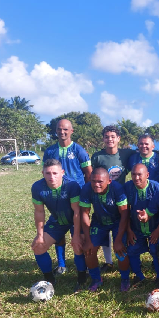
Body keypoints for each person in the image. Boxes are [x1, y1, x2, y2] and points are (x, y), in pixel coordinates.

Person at [43, 119, 93, 276]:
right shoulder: (50, 151)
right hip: (57, 197)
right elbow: (47, 173)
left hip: (76, 196)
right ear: (56, 131)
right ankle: (62, 264)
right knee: (59, 231)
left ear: (71, 131)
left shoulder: (79, 150)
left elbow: (89, 173)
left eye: (65, 129)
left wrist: (85, 193)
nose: (62, 132)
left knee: (79, 232)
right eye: (59, 129)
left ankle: (84, 267)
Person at [30, 159, 88, 288]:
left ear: (62, 172)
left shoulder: (72, 185)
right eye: (48, 173)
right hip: (57, 221)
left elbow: (77, 212)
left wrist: (77, 235)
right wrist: (39, 235)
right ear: (43, 173)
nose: (52, 177)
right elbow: (39, 212)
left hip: (75, 220)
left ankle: (82, 278)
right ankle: (49, 280)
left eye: (55, 173)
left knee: (78, 246)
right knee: (38, 247)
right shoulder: (37, 187)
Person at [91, 125, 136, 273]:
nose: (109, 139)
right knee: (105, 230)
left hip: (121, 196)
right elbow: (94, 176)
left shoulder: (127, 153)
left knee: (122, 227)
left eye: (112, 136)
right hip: (103, 198)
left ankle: (129, 261)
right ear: (103, 139)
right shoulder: (98, 156)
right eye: (106, 137)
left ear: (118, 139)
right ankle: (108, 261)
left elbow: (144, 151)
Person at [80, 168, 129, 292]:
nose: (96, 184)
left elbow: (124, 214)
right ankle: (96, 279)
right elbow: (85, 214)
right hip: (99, 221)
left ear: (109, 181)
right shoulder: (86, 189)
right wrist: (87, 239)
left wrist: (118, 240)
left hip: (117, 221)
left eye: (100, 181)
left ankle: (125, 279)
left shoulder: (117, 189)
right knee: (89, 251)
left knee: (121, 251)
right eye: (93, 181)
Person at [123, 164, 159, 292]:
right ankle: (139, 276)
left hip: (154, 227)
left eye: (140, 174)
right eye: (133, 174)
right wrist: (129, 230)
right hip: (136, 228)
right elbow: (125, 211)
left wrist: (158, 229)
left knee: (156, 250)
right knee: (132, 249)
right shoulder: (127, 187)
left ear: (147, 175)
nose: (136, 177)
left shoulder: (156, 187)